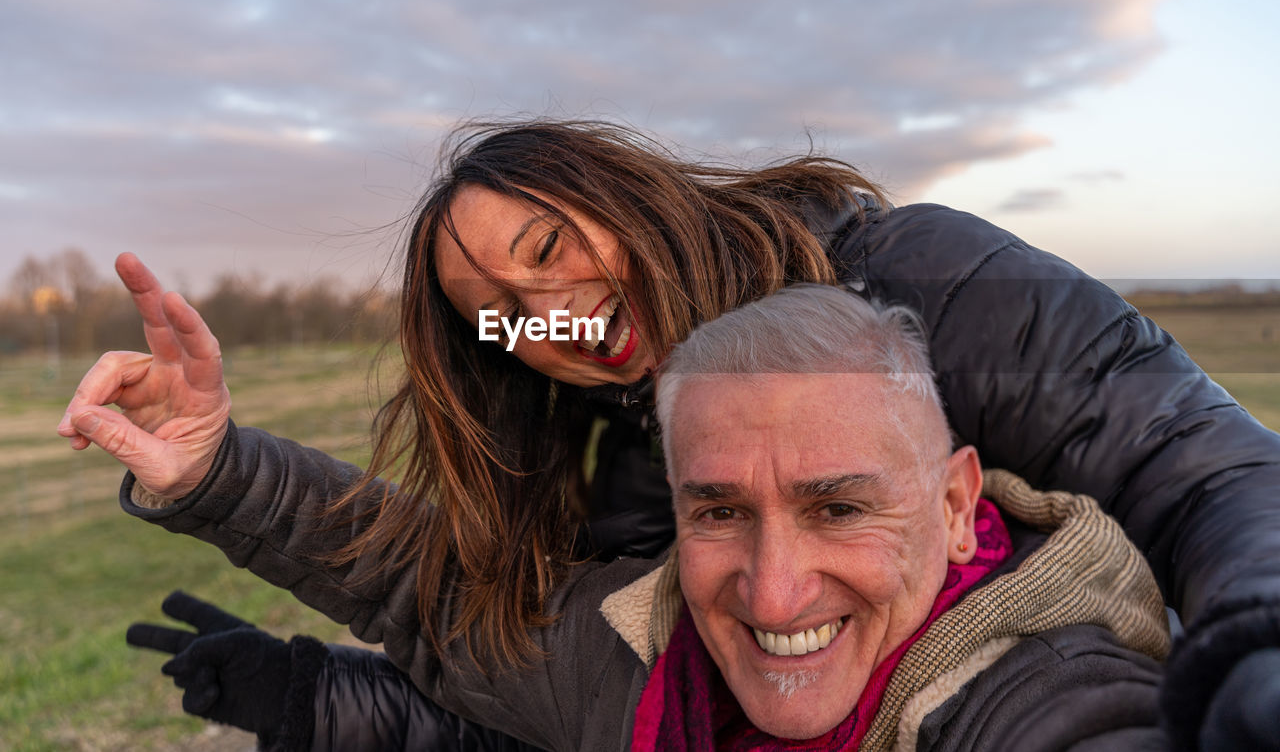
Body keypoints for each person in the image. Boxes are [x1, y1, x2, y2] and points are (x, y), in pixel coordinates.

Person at [59, 120, 1280, 746]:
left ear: (626, 188)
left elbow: (1201, 469)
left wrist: (1251, 658)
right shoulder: (616, 449)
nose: (542, 310)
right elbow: (576, 686)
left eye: (548, 248)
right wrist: (227, 481)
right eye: (494, 313)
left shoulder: (915, 276)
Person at [128, 285, 1174, 750]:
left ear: (955, 507)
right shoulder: (639, 648)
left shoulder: (1046, 695)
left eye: (839, 505)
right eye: (718, 509)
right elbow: (423, 586)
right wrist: (215, 466)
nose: (772, 591)